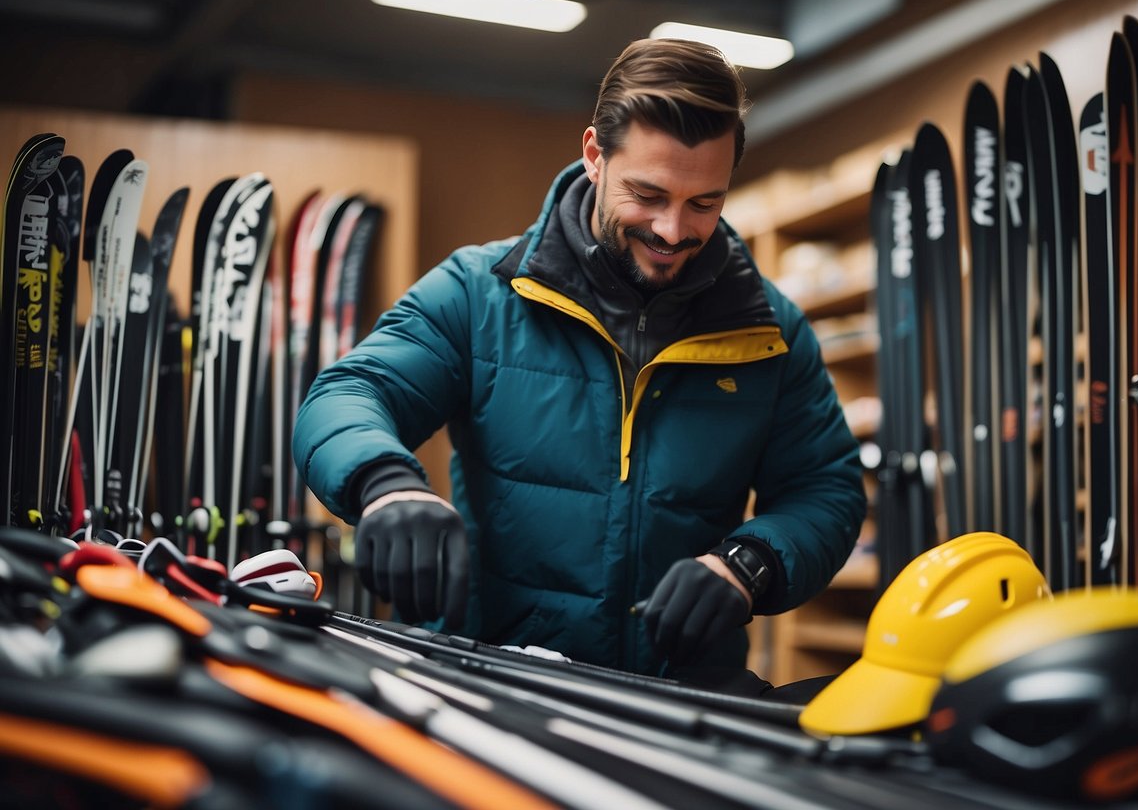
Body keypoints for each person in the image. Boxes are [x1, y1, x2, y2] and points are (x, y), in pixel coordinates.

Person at [293, 38, 867, 679]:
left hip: (685, 701)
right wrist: (384, 487)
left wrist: (750, 564)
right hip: (500, 685)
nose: (673, 232)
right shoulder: (480, 292)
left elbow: (827, 489)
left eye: (704, 203)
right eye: (647, 195)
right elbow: (348, 394)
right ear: (594, 155)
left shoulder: (769, 330)